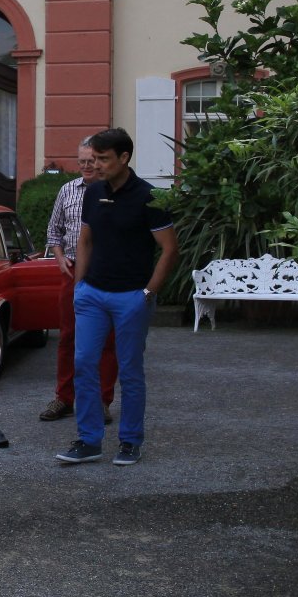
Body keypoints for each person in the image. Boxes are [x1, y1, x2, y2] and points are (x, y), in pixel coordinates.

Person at [57, 128, 178, 466]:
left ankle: (130, 441)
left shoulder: (149, 197)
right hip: (92, 294)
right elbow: (85, 240)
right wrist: (80, 287)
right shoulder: (94, 192)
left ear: (124, 158)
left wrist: (147, 293)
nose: (96, 165)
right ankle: (89, 440)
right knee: (84, 364)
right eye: (94, 158)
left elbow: (170, 250)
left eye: (103, 159)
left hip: (131, 297)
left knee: (130, 371)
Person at [41, 137, 118, 423]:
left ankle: (102, 401)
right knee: (68, 336)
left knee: (107, 339)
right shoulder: (67, 190)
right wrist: (60, 258)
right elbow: (53, 232)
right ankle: (64, 397)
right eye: (82, 162)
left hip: (106, 272)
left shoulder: (113, 191)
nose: (86, 166)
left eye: (91, 161)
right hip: (72, 271)